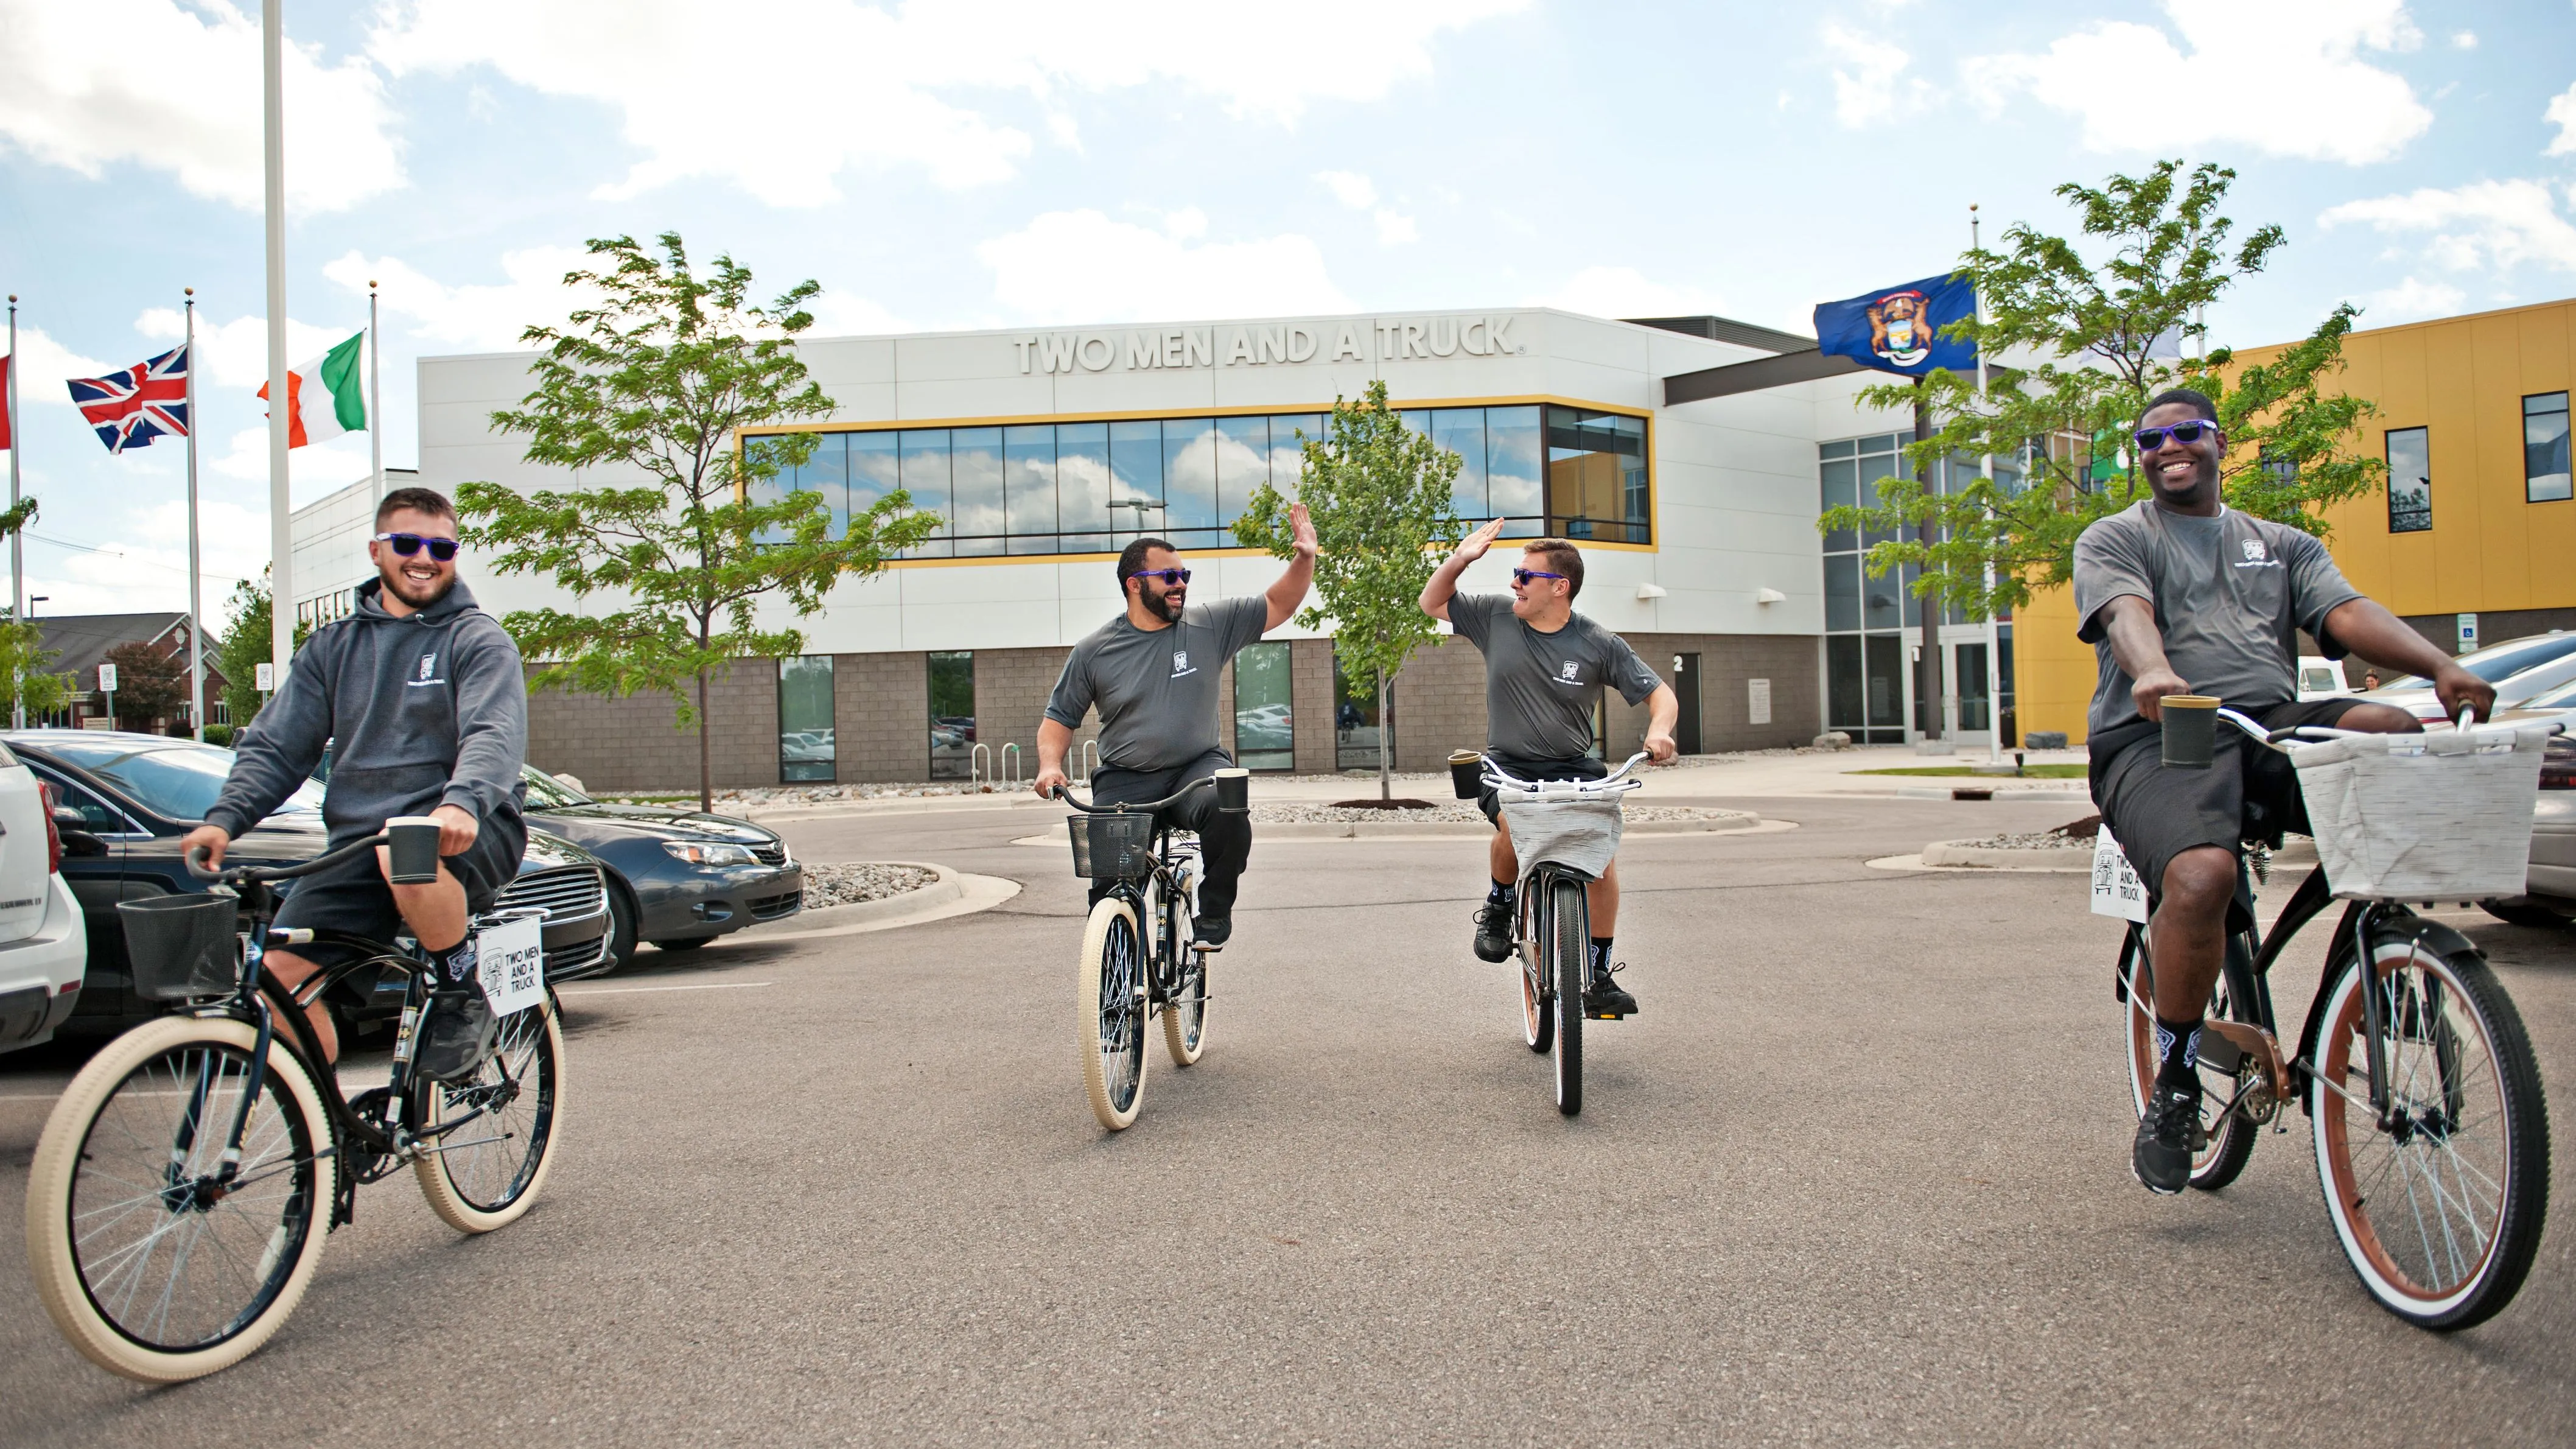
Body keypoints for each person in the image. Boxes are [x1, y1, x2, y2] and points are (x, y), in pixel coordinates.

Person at [2073, 388, 2493, 1195]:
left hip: (2265, 716)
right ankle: (2178, 1073)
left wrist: (2439, 664)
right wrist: (2152, 668)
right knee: (2202, 876)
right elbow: (2125, 611)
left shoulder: (2282, 544)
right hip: (2162, 731)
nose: (2169, 448)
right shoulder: (2118, 536)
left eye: (2186, 433)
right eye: (2151, 438)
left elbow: (2344, 612)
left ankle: (2385, 951)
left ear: (2219, 443)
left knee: (2390, 734)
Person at [184, 486, 531, 1083]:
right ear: (377, 551)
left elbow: (492, 731)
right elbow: (277, 745)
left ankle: (458, 990)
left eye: (440, 545)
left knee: (405, 848)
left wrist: (462, 802)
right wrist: (225, 818)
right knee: (279, 986)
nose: (423, 556)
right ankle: (326, 1129)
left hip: (468, 828)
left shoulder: (476, 640)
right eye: (406, 542)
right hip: (358, 840)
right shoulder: (332, 648)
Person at [1419, 521, 1678, 1014]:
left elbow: (1660, 694)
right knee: (1514, 826)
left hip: (1575, 766)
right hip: (1508, 764)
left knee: (1600, 860)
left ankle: (1599, 972)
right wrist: (1461, 559)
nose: (1514, 582)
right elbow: (1431, 603)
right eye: (1515, 573)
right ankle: (1498, 907)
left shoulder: (1598, 642)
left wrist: (1659, 730)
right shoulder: (1495, 617)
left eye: (1525, 574)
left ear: (1559, 587)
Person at [1031, 506, 1318, 946]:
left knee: (1228, 808)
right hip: (1124, 780)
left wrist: (1304, 559)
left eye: (1184, 574)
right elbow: (1059, 719)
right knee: (1111, 895)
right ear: (1134, 585)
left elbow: (1278, 604)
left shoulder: (1208, 625)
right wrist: (1049, 764)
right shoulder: (1094, 651)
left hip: (1195, 767)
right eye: (1168, 576)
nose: (1180, 583)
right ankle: (1120, 979)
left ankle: (1214, 914)